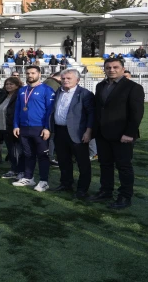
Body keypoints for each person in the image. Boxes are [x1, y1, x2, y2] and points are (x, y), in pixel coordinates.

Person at [91, 58, 145, 209]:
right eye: (108, 67)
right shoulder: (100, 86)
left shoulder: (133, 87)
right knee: (105, 165)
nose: (111, 70)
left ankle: (125, 196)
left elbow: (137, 113)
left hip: (123, 135)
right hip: (103, 134)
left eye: (115, 67)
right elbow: (98, 109)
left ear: (122, 68)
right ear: (104, 69)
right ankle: (106, 191)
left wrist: (130, 133)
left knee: (124, 167)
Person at [49, 69, 94, 198]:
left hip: (78, 133)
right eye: (63, 78)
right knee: (63, 160)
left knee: (82, 163)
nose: (65, 80)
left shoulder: (85, 94)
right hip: (60, 131)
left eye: (69, 78)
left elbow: (91, 114)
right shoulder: (58, 91)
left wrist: (88, 132)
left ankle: (82, 189)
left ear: (77, 80)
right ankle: (66, 183)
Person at [12, 66, 56, 192]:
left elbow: (50, 111)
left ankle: (44, 181)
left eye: (33, 73)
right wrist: (16, 125)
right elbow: (17, 110)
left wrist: (47, 128)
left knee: (42, 156)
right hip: (24, 128)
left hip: (40, 128)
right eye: (28, 73)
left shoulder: (47, 89)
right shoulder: (22, 90)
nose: (30, 75)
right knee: (27, 154)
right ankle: (29, 177)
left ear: (39, 74)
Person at [0, 77, 24, 180]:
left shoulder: (19, 96)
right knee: (11, 150)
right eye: (7, 84)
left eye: (11, 84)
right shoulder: (4, 96)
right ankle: (13, 169)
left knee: (17, 150)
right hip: (3, 127)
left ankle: (19, 170)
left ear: (17, 85)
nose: (8, 86)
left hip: (13, 127)